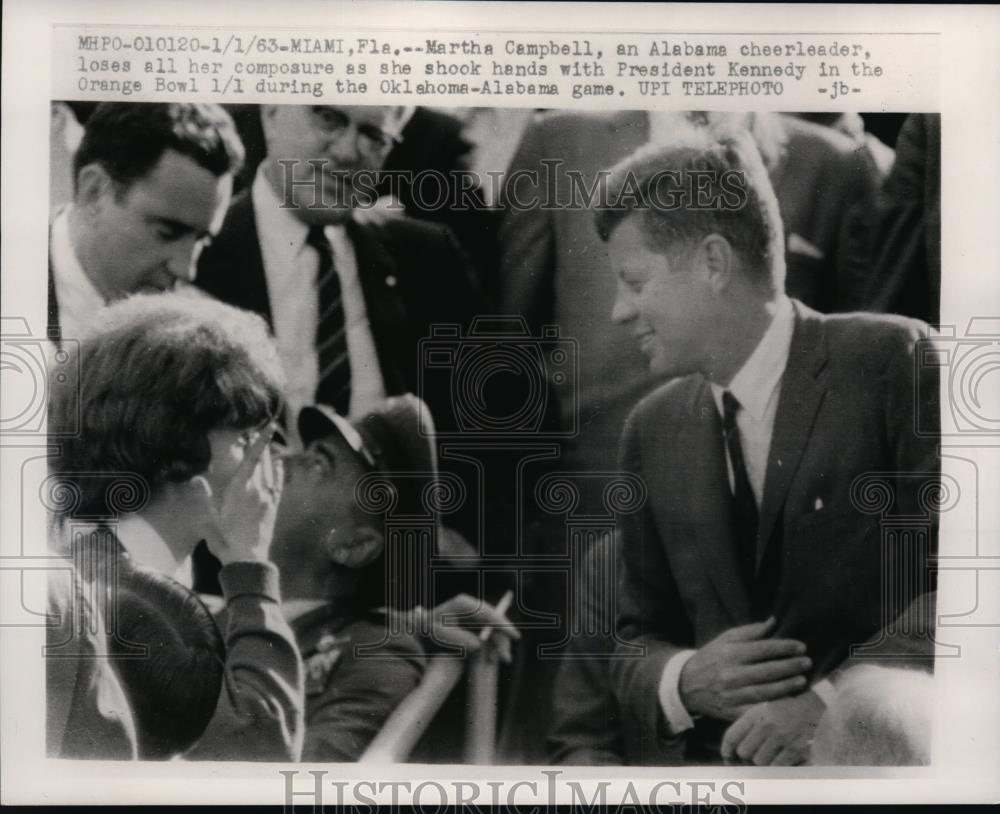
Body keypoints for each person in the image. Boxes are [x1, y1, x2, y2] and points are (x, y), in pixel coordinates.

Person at [596, 127, 938, 765]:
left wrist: (830, 707)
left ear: (715, 262)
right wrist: (685, 678)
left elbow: (974, 585)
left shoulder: (894, 359)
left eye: (634, 281)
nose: (618, 310)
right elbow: (634, 642)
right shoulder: (650, 428)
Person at [47, 293, 304, 761]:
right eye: (246, 438)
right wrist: (249, 566)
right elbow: (259, 754)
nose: (268, 462)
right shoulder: (127, 604)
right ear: (173, 451)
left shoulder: (103, 564)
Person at [270, 395, 519, 761]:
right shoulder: (221, 613)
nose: (281, 457)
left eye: (319, 463)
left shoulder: (371, 662)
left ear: (354, 545)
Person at [48, 102, 243, 346]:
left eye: (201, 240)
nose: (185, 269)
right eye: (168, 232)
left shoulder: (199, 334)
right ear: (94, 192)